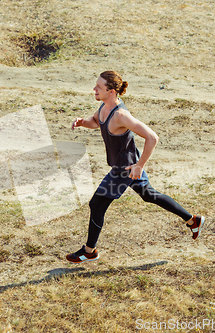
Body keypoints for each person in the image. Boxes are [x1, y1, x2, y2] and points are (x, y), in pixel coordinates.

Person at [66, 71, 205, 264]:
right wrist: (83, 123)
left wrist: (140, 165)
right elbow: (96, 122)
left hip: (123, 170)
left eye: (99, 86)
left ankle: (89, 251)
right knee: (149, 195)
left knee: (97, 204)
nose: (94, 89)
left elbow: (152, 137)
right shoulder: (104, 107)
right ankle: (192, 220)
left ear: (112, 91)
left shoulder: (121, 115)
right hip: (126, 167)